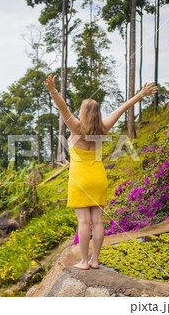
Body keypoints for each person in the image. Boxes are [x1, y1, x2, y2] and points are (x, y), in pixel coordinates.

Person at [44, 74, 158, 270]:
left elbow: (62, 108)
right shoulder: (103, 128)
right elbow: (122, 108)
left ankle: (84, 262)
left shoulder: (75, 128)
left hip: (80, 180)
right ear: (97, 114)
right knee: (97, 221)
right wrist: (140, 95)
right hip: (98, 178)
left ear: (82, 112)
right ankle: (95, 260)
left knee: (83, 221)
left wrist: (53, 90)